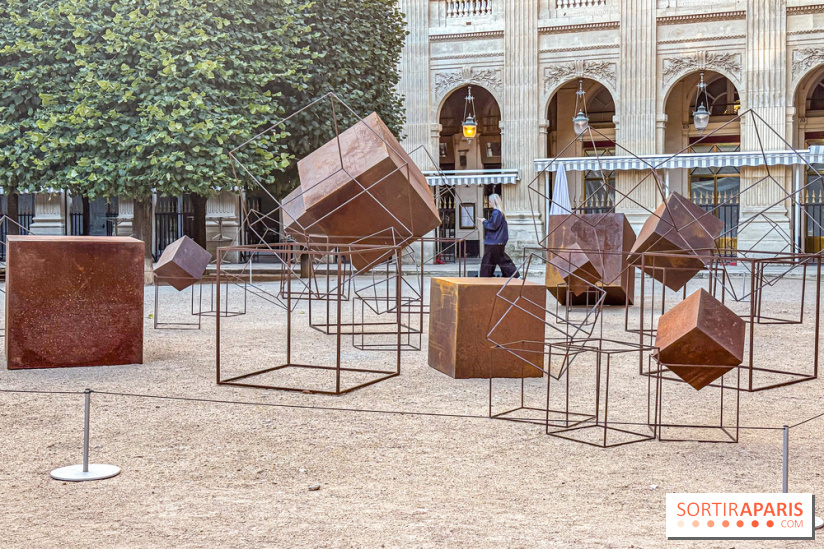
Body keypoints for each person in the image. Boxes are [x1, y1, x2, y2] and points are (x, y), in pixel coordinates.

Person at [478, 193, 520, 278]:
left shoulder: (496, 213)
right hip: (498, 241)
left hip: (494, 241)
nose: (489, 203)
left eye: (490, 201)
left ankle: (484, 278)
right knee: (499, 259)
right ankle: (514, 275)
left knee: (488, 261)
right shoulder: (500, 213)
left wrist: (484, 221)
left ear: (494, 202)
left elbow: (493, 226)